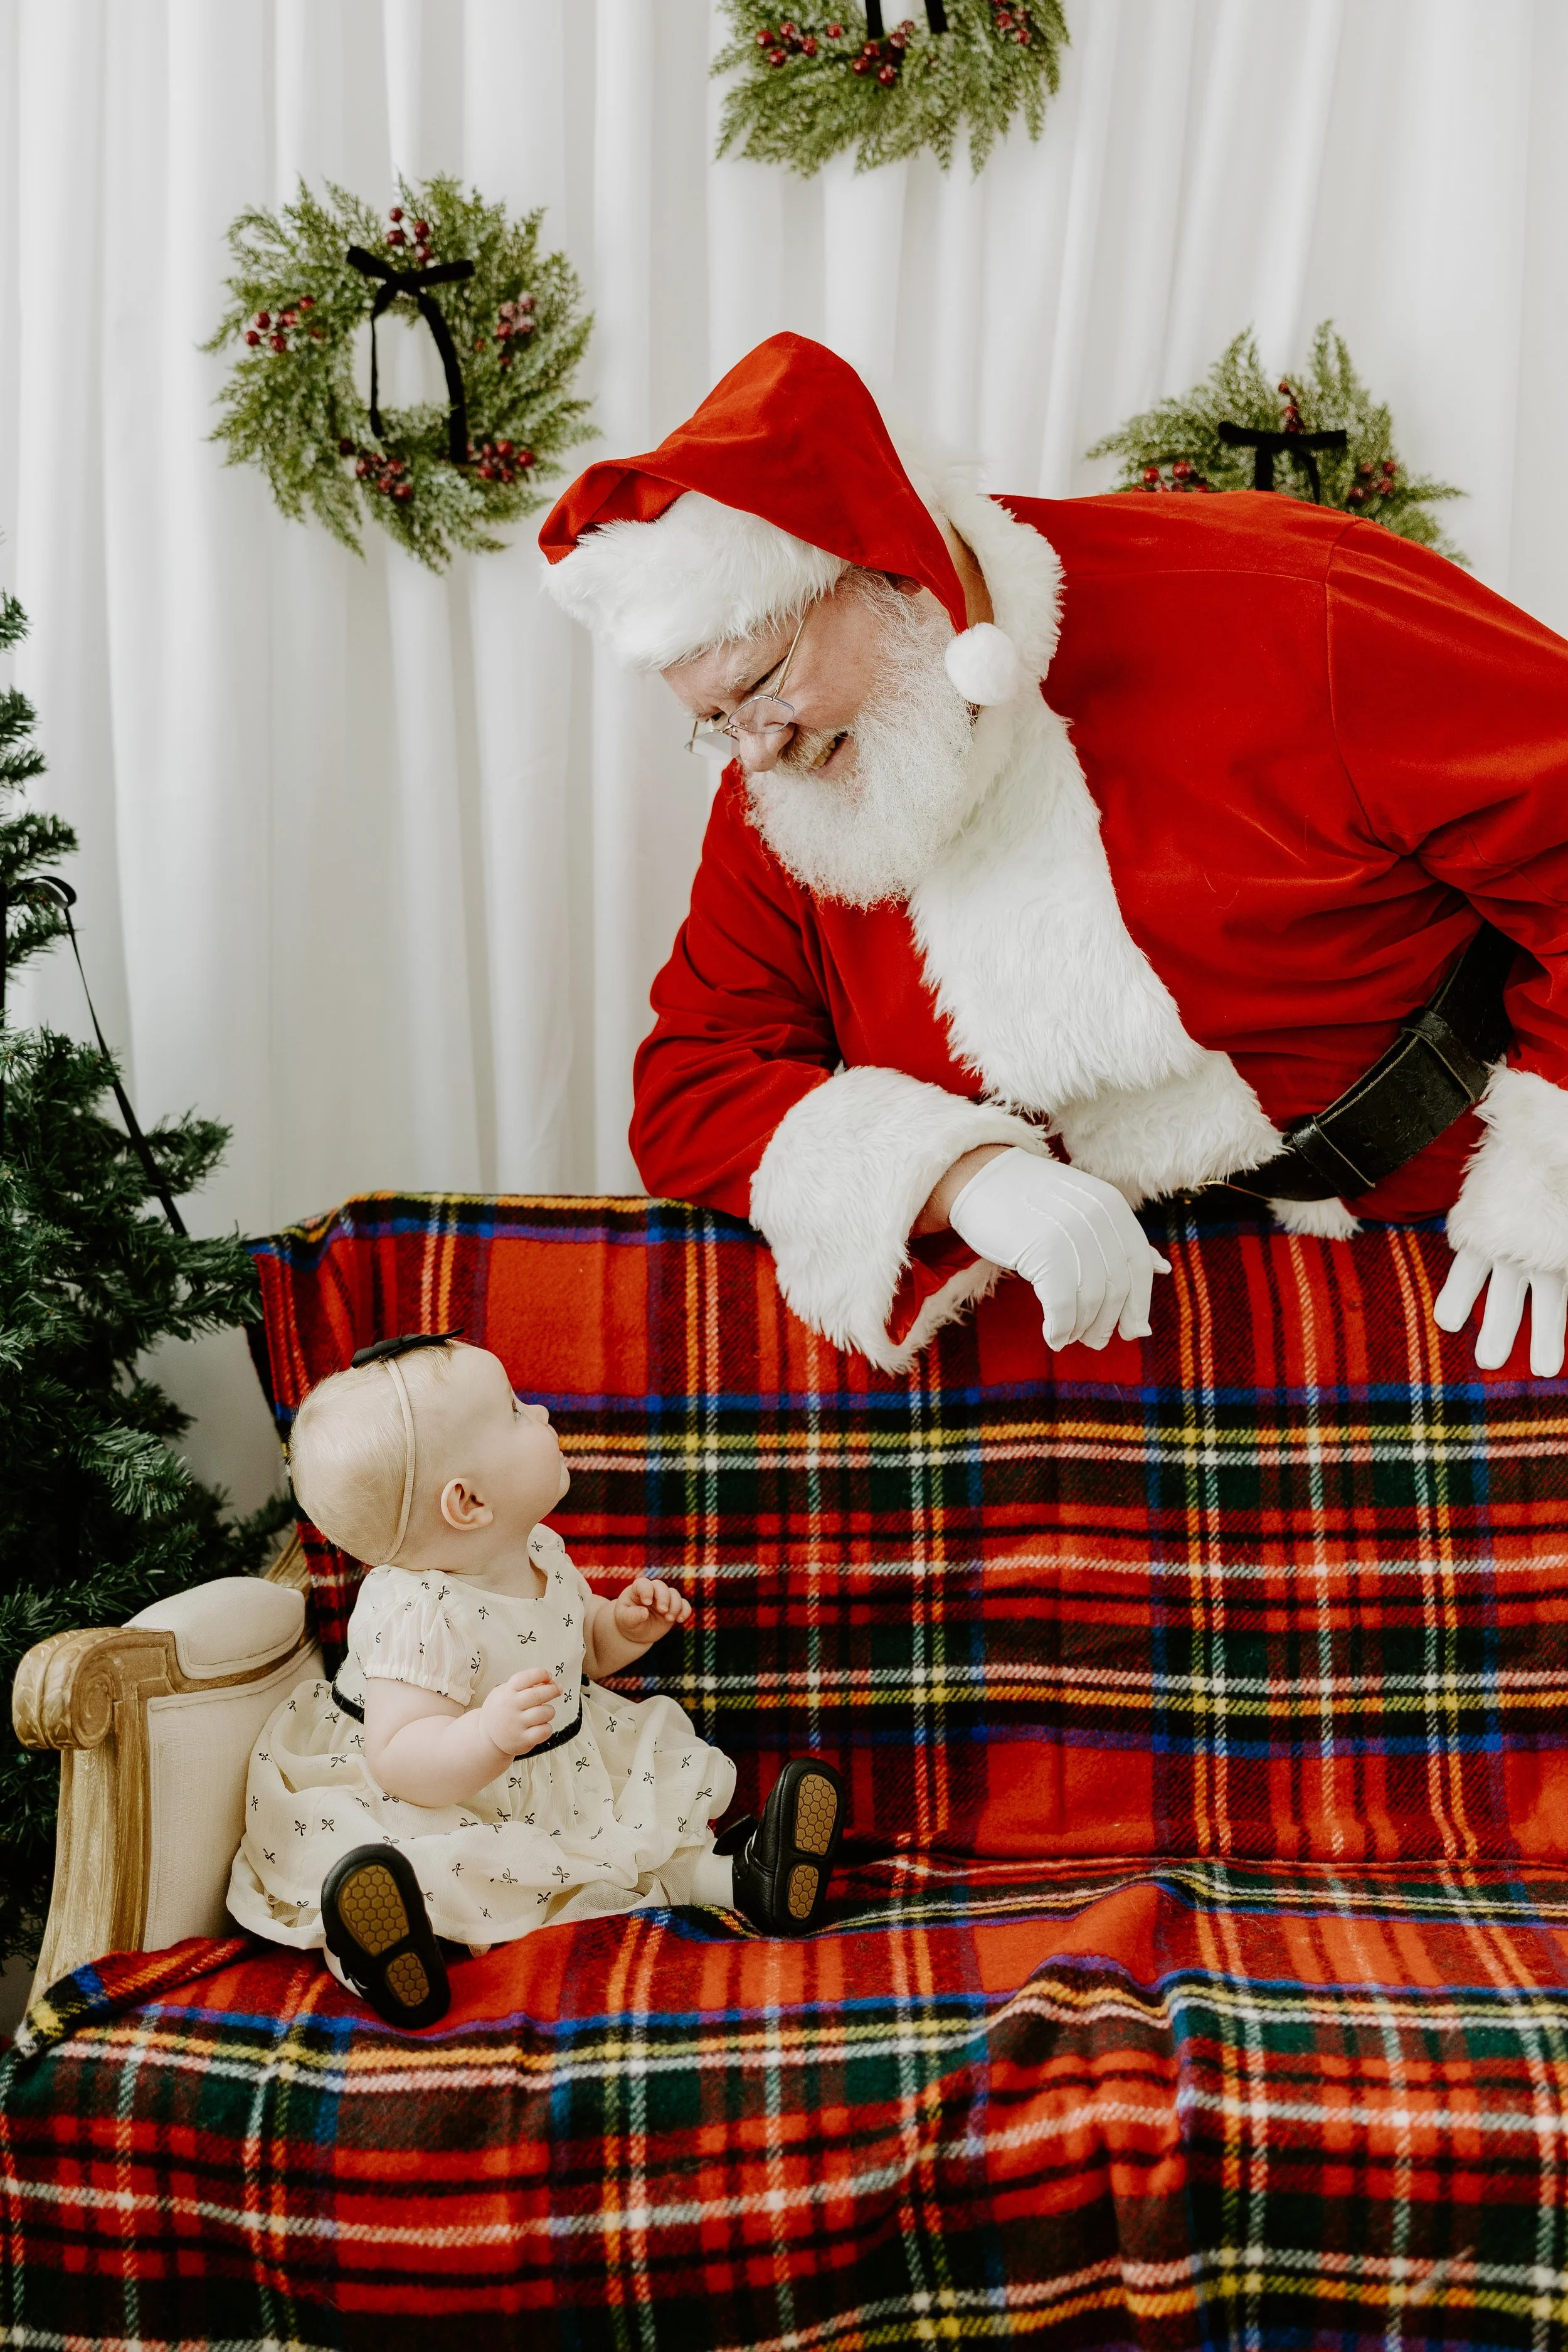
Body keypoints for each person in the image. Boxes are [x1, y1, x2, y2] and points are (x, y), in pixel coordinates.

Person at [538, 332, 1568, 1381]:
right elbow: (692, 1079)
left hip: (1456, 1251)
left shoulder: (1284, 600)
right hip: (1099, 1313)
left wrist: (1549, 1179)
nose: (755, 751)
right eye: (714, 722)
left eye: (761, 688)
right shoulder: (791, 781)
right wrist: (958, 1175)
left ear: (888, 564)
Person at [226, 1333, 845, 2028]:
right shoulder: (419, 1611)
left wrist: (620, 1627)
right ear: (468, 1503)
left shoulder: (539, 1551)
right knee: (429, 1871)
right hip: (434, 1799)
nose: (544, 1412)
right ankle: (376, 1953)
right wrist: (485, 1735)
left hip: (555, 1775)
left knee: (633, 1844)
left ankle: (746, 1878)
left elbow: (579, 1650)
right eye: (516, 1412)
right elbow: (398, 1758)